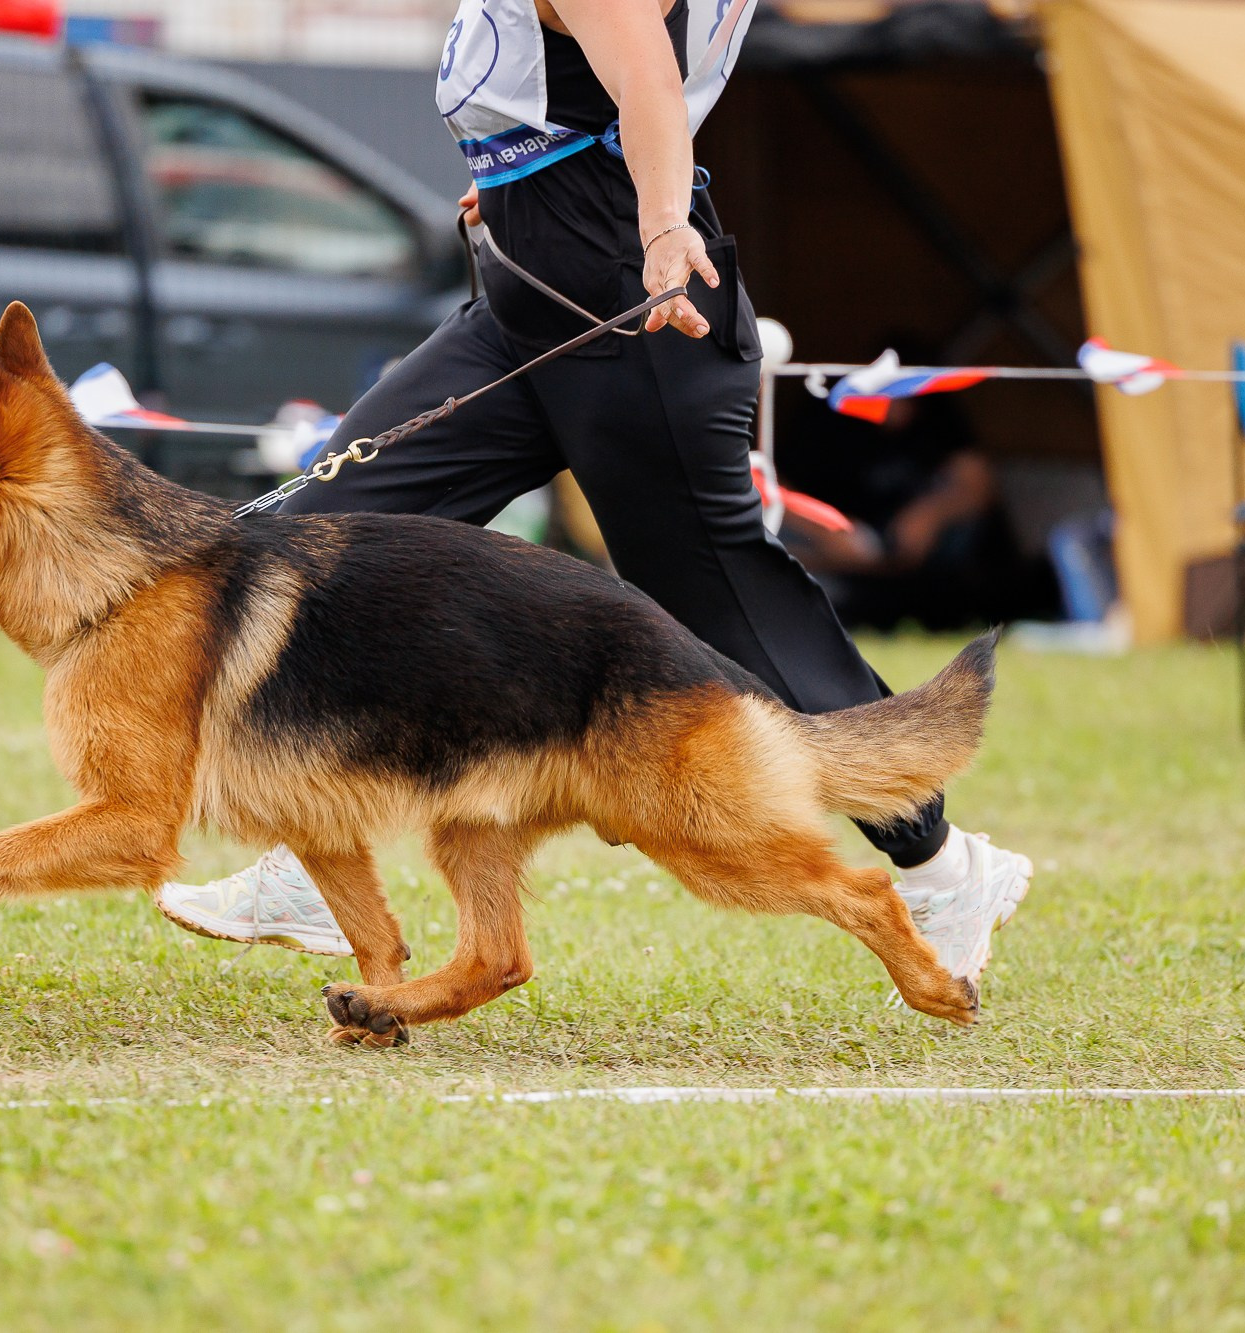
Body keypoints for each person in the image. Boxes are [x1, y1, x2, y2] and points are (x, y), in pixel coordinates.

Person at [157, 0, 1031, 998]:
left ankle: (944, 869)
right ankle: (316, 864)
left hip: (629, 301)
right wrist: (504, 185)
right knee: (315, 541)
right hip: (533, 295)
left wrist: (660, 233)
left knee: (725, 609)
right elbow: (562, 106)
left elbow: (650, 86)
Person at [774, 358, 1039, 632]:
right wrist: (828, 532)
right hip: (832, 548)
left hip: (913, 562)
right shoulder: (827, 414)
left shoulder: (935, 415)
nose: (901, 403)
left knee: (969, 538)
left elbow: (978, 483)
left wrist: (931, 514)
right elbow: (771, 485)